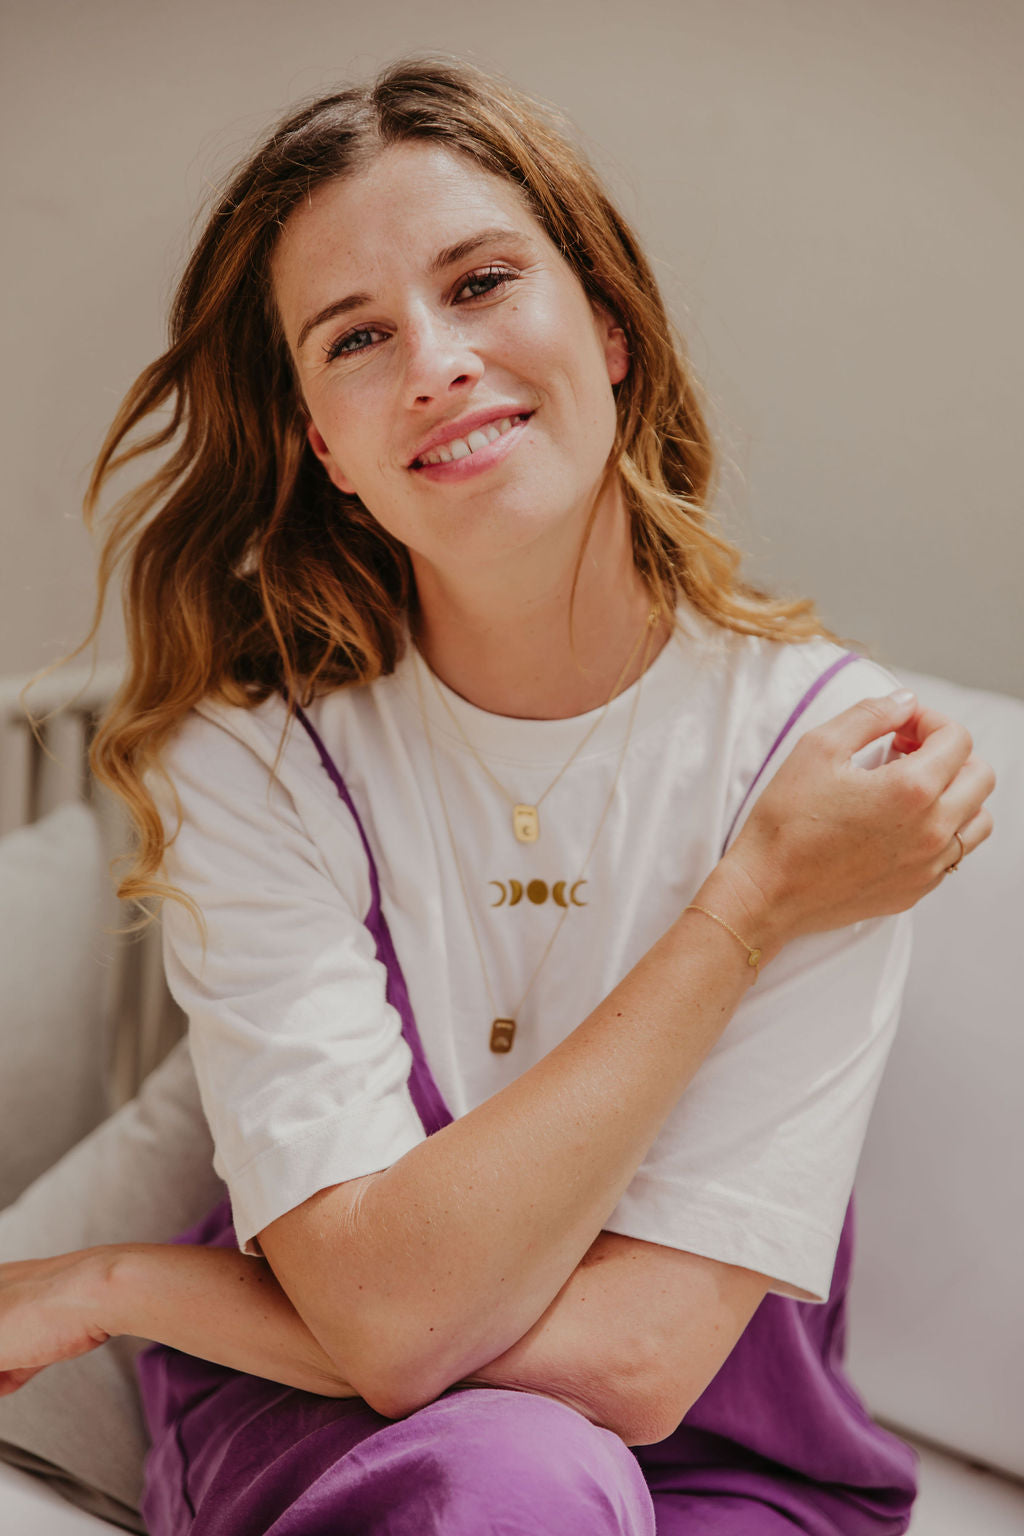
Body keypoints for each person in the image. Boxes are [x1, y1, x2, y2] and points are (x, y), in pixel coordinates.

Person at [0, 56, 995, 1536]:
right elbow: (384, 1331)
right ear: (326, 448)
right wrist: (748, 906)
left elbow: (645, 1363)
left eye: (480, 282)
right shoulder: (256, 762)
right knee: (512, 1477)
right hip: (325, 1434)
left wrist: (126, 1283)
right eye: (355, 338)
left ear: (608, 325)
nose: (435, 362)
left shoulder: (829, 761)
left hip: (727, 1469)